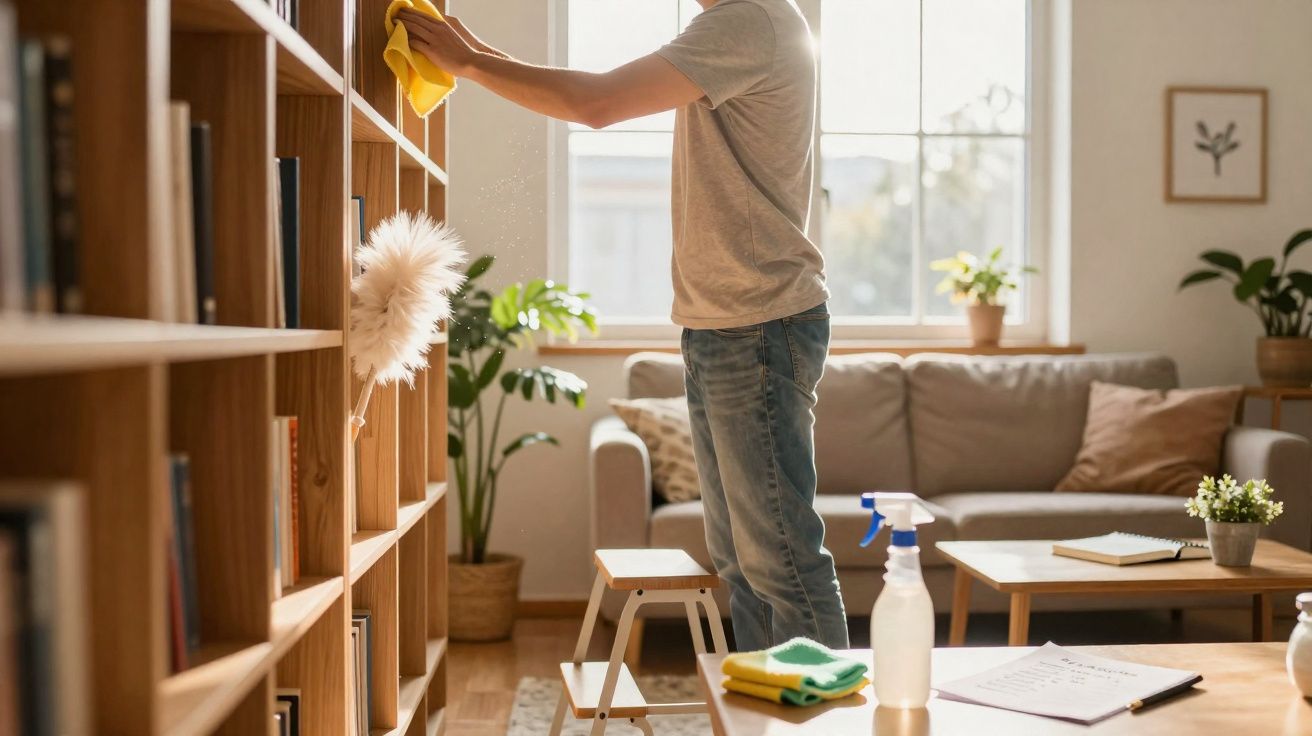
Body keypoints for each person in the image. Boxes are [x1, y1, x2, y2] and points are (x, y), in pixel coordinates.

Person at [399, 0, 848, 651]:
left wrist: (471, 64)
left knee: (781, 564)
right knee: (744, 569)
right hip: (726, 329)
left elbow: (598, 104)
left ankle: (825, 721)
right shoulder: (747, 22)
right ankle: (768, 718)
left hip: (757, 328)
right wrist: (477, 55)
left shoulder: (748, 20)